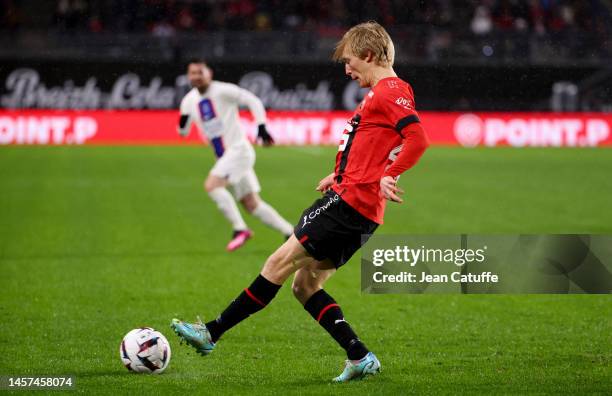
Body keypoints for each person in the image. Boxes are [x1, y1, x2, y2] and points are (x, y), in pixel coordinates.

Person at [171, 22, 430, 382]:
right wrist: (340, 175)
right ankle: (359, 355)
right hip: (359, 207)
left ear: (370, 56)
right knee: (305, 285)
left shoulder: (390, 91)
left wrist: (390, 173)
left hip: (348, 205)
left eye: (351, 61)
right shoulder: (385, 93)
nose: (347, 69)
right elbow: (376, 144)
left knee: (278, 262)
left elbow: (417, 138)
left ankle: (211, 332)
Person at [178, 59, 294, 251]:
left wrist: (262, 126)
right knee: (251, 204)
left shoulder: (222, 90)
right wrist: (182, 124)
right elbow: (182, 132)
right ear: (188, 76)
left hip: (239, 150)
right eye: (192, 73)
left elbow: (252, 100)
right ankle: (290, 233)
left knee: (212, 185)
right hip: (225, 158)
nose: (196, 76)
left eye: (200, 72)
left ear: (209, 73)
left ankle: (240, 229)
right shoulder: (188, 102)